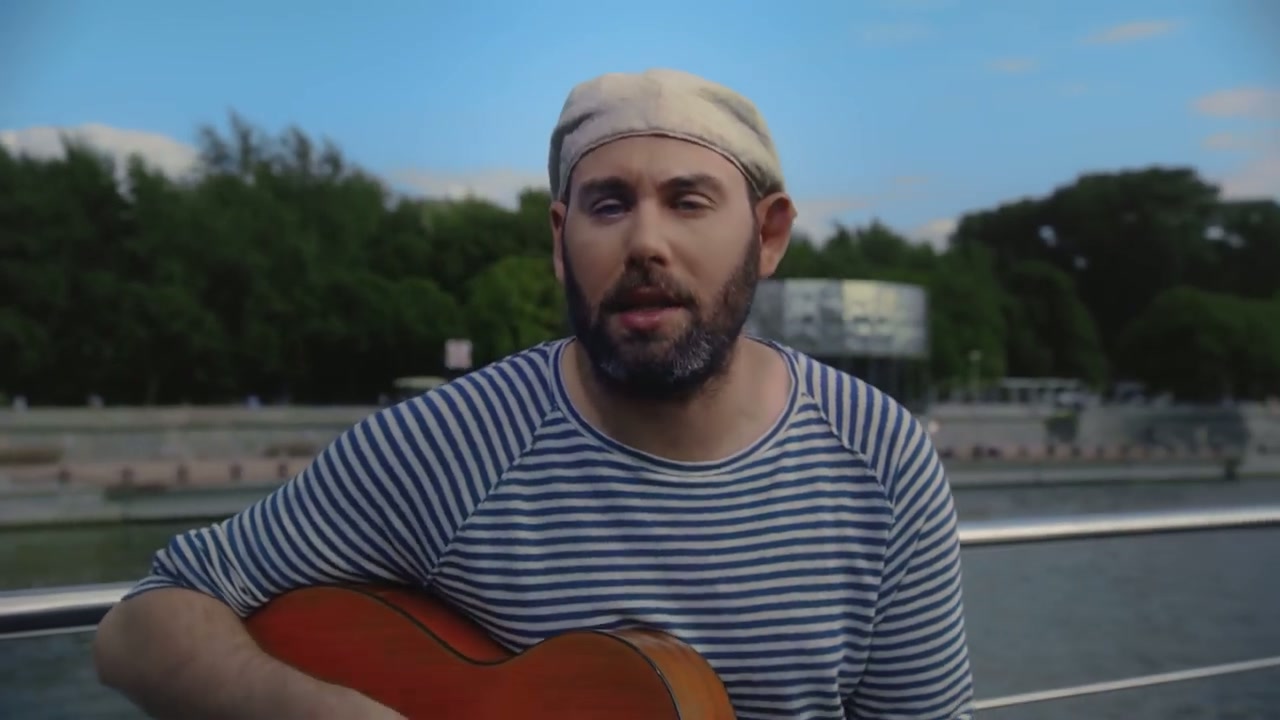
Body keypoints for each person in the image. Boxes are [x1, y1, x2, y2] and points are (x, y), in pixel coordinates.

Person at [93, 68, 975, 720]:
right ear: (560, 239)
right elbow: (142, 626)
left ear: (769, 234)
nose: (646, 243)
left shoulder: (880, 460)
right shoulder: (450, 445)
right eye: (608, 205)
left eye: (689, 201)